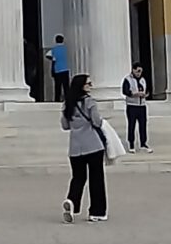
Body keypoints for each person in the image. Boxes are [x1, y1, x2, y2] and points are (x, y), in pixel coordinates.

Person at [59, 73, 111, 223]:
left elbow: (65, 125)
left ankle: (72, 201)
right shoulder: (89, 102)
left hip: (75, 147)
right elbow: (96, 122)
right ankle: (97, 212)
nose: (90, 86)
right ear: (82, 86)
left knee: (78, 177)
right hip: (93, 145)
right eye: (88, 83)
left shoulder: (67, 104)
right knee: (96, 178)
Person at [121, 65, 150, 151]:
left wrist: (145, 94)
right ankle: (131, 144)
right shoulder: (127, 79)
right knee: (131, 125)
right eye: (137, 71)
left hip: (142, 105)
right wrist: (134, 94)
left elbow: (147, 90)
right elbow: (125, 91)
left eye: (140, 71)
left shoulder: (143, 79)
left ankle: (143, 143)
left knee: (143, 125)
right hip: (132, 105)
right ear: (133, 70)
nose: (139, 73)